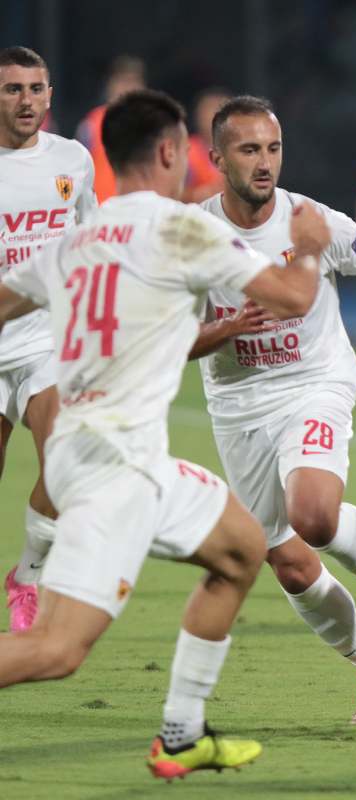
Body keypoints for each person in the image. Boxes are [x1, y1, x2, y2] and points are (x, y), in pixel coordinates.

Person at [0, 87, 328, 778]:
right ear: (171, 151)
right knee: (56, 651)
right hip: (115, 467)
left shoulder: (74, 239)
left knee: (241, 548)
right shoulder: (179, 229)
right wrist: (307, 248)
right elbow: (296, 299)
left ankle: (182, 734)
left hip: (94, 451)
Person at [188, 95, 356, 725]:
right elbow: (169, 344)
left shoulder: (311, 220)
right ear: (217, 157)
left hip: (315, 381)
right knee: (291, 564)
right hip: (237, 404)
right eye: (249, 150)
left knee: (316, 517)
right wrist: (228, 328)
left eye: (273, 148)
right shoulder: (192, 235)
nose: (264, 162)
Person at [0, 46, 97, 632]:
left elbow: (94, 235)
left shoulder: (72, 160)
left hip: (45, 343)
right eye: (13, 89)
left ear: (51, 95)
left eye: (36, 89)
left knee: (64, 465)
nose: (26, 101)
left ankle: (27, 574)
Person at [75, 54, 145, 203]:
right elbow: (76, 171)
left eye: (133, 81)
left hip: (141, 213)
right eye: (122, 81)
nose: (127, 88)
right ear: (110, 86)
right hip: (102, 213)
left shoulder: (154, 124)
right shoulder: (91, 124)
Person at [183, 86, 231, 203]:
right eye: (208, 110)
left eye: (219, 109)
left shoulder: (239, 151)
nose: (214, 115)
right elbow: (169, 193)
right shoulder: (185, 149)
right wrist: (196, 195)